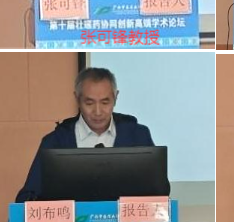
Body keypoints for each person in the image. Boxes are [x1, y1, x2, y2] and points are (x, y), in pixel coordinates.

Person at [15, 67, 157, 202]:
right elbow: (27, 198)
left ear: (116, 97)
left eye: (105, 102)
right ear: (77, 99)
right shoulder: (56, 142)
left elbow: (158, 192)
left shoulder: (138, 136)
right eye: (89, 103)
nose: (98, 112)